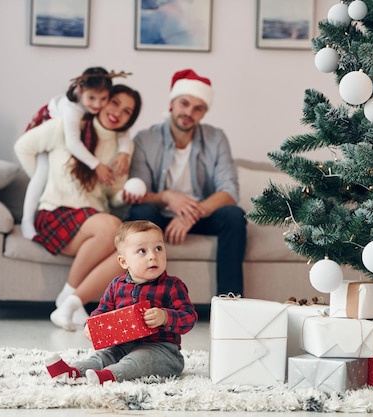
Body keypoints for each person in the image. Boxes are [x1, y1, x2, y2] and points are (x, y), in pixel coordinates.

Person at [14, 84, 143, 331]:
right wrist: (43, 180)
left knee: (131, 252)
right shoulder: (68, 127)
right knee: (111, 227)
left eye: (127, 111)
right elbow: (23, 147)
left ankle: (72, 302)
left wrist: (124, 197)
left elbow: (111, 194)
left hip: (91, 220)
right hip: (55, 213)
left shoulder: (122, 148)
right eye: (115, 103)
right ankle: (66, 297)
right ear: (102, 100)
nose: (118, 112)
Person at [124, 68, 246, 296]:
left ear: (204, 113)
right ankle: (141, 297)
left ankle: (230, 304)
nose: (189, 112)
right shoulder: (145, 139)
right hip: (159, 216)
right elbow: (140, 193)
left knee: (234, 215)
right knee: (142, 212)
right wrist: (168, 196)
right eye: (184, 103)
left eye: (198, 108)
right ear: (172, 104)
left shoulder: (216, 138)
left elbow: (229, 191)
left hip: (200, 215)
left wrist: (192, 213)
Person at [45, 220, 198, 385]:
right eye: (142, 251)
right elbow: (102, 310)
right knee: (102, 356)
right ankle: (72, 371)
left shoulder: (172, 285)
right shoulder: (116, 285)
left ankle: (108, 376)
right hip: (122, 346)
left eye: (158, 248)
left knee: (138, 360)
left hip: (163, 351)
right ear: (124, 262)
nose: (153, 256)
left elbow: (189, 317)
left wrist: (165, 317)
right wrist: (91, 325)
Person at [19, 67, 133, 239]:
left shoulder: (98, 118)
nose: (97, 104)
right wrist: (97, 165)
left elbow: (125, 133)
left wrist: (124, 153)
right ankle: (27, 221)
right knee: (41, 175)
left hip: (92, 210)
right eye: (91, 98)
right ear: (80, 91)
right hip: (45, 137)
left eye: (103, 99)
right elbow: (72, 143)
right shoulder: (72, 110)